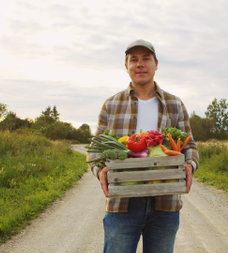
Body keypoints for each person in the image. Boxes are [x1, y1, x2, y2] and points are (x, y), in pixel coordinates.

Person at [88, 39, 199, 253]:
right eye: (134, 60)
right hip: (122, 205)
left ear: (156, 64)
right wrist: (99, 170)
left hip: (165, 204)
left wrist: (190, 165)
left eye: (146, 59)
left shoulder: (175, 104)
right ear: (126, 66)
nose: (140, 64)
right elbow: (95, 150)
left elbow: (190, 146)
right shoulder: (112, 105)